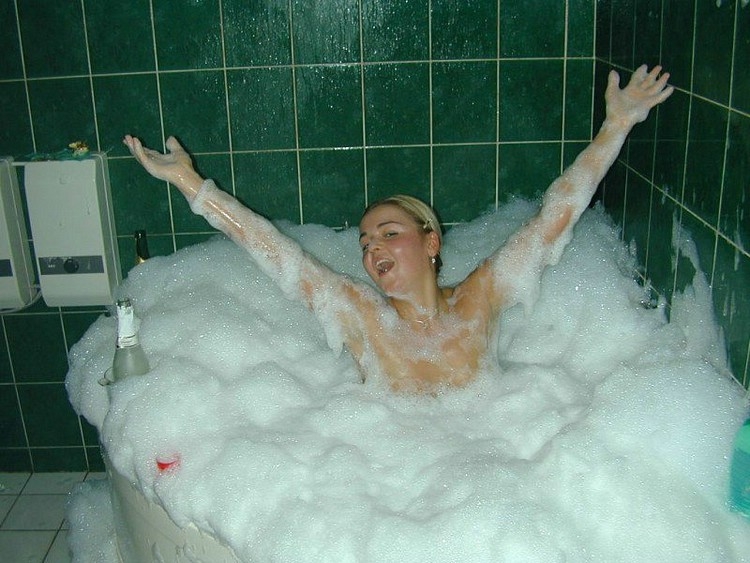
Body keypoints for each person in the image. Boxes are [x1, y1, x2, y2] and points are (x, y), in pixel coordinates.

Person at [124, 64, 673, 393]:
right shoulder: (363, 316)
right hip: (391, 485)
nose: (372, 249)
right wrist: (191, 184)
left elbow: (553, 220)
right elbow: (274, 252)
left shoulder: (479, 299)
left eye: (389, 233)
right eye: (365, 242)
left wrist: (617, 124)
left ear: (431, 242)